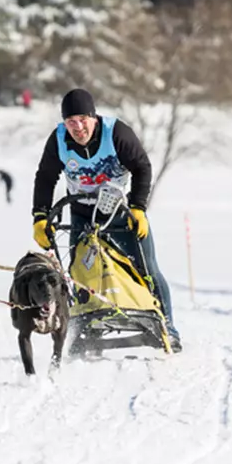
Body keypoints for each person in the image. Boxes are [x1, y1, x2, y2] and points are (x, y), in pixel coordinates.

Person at [31, 87, 180, 351]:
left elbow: (142, 166)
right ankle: (84, 328)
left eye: (82, 120)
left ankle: (168, 326)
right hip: (80, 212)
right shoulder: (59, 140)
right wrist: (40, 217)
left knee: (148, 269)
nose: (78, 127)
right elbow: (45, 177)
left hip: (119, 212)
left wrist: (138, 207)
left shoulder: (117, 133)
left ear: (93, 117)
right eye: (71, 122)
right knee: (79, 272)